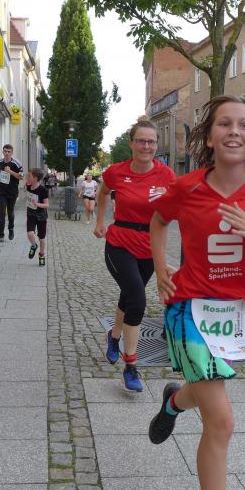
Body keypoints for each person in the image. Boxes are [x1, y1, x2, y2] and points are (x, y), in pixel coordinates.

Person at [147, 95, 245, 490]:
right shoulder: (187, 187)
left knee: (204, 390)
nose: (234, 132)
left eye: (244, 126)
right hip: (188, 308)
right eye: (224, 124)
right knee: (222, 422)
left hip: (234, 315)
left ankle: (174, 401)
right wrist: (160, 267)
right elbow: (158, 221)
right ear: (209, 137)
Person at [93, 118, 176, 392]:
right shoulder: (116, 172)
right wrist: (100, 222)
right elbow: (103, 192)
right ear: (131, 143)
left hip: (149, 247)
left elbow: (178, 208)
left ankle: (114, 336)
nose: (146, 146)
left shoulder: (166, 176)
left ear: (156, 145)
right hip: (119, 243)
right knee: (138, 300)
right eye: (141, 141)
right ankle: (130, 365)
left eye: (151, 141)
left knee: (128, 296)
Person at [0, 144, 24, 242]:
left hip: (12, 191)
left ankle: (11, 229)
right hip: (2, 191)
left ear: (12, 153)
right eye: (5, 151)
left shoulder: (16, 163)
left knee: (10, 212)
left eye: (9, 152)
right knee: (1, 212)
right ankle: (1, 235)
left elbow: (21, 177)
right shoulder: (0, 162)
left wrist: (10, 172)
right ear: (3, 152)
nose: (7, 153)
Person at [25, 168, 50, 266]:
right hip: (31, 214)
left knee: (42, 239)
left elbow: (47, 205)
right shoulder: (28, 186)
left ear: (35, 178)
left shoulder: (43, 190)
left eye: (29, 176)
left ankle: (42, 254)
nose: (27, 177)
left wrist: (37, 204)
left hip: (41, 216)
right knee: (30, 234)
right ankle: (34, 245)